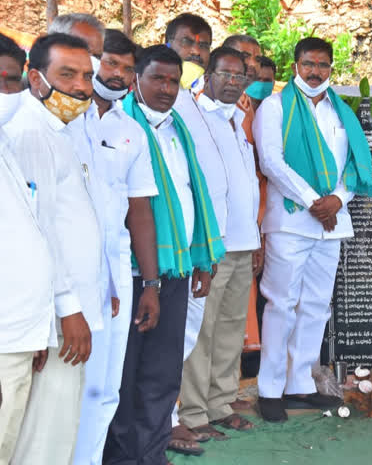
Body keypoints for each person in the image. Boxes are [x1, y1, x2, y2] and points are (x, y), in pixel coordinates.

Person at [104, 45, 225, 465]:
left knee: (162, 372)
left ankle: (152, 455)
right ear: (136, 78)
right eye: (157, 78)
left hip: (176, 268)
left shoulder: (177, 129)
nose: (167, 88)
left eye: (174, 81)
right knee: (126, 374)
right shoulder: (121, 127)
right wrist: (149, 282)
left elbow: (195, 194)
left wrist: (202, 258)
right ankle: (121, 458)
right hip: (134, 272)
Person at [253, 37, 372, 422]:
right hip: (291, 221)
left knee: (316, 306)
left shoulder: (342, 113)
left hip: (332, 224)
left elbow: (354, 163)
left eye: (323, 65)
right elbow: (271, 161)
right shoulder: (274, 107)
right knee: (281, 304)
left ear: (331, 69)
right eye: (308, 64)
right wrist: (313, 202)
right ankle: (269, 389)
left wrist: (337, 200)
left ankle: (300, 384)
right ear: (295, 67)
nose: (315, 72)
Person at [60, 20, 161, 465]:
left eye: (128, 67)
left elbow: (139, 210)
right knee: (63, 387)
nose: (119, 74)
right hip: (63, 272)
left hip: (116, 272)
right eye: (111, 62)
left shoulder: (132, 131)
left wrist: (150, 283)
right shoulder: (58, 120)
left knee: (105, 387)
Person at [2, 33, 102, 465]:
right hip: (61, 314)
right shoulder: (28, 130)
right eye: (67, 74)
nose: (80, 87)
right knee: (46, 432)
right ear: (35, 76)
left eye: (86, 76)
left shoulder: (57, 127)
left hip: (71, 304)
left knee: (58, 426)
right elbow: (40, 228)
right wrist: (68, 307)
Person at [0, 28, 55, 465]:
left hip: (17, 336)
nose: (3, 90)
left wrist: (36, 328)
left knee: (1, 453)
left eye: (12, 80)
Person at [178, 46, 262, 439]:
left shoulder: (239, 119)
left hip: (244, 242)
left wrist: (257, 238)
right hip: (212, 245)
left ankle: (220, 404)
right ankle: (193, 413)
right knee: (202, 331)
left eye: (239, 76)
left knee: (230, 329)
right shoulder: (194, 116)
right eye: (225, 74)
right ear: (207, 75)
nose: (232, 82)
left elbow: (245, 185)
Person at [163, 12, 225, 453]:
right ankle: (163, 420)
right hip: (167, 244)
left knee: (185, 333)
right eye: (187, 43)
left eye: (203, 45)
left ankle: (166, 414)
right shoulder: (158, 97)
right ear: (167, 43)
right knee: (168, 335)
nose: (195, 52)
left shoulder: (195, 98)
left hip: (199, 241)